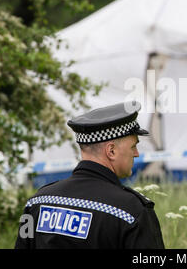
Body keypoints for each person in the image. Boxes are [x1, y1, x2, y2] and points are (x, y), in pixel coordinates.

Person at [15, 101, 165, 249]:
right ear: (111, 151)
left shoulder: (37, 202)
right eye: (133, 146)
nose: (137, 154)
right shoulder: (131, 211)